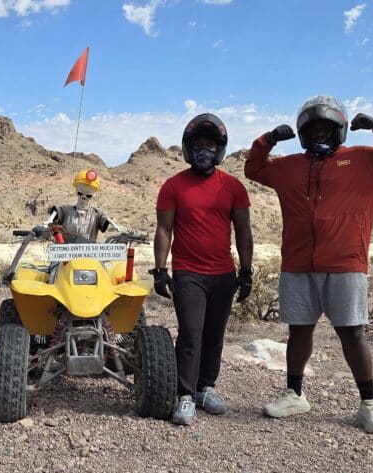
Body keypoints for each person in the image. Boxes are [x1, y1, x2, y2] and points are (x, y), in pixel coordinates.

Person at [243, 95, 373, 434]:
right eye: (313, 131)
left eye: (327, 129)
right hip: (298, 264)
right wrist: (266, 140)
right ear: (302, 135)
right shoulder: (289, 166)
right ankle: (294, 394)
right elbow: (252, 168)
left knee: (352, 333)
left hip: (346, 263)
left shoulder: (366, 162)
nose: (320, 135)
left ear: (340, 131)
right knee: (298, 330)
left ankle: (369, 405)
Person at [151, 113, 253, 426]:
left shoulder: (234, 187)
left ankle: (204, 388)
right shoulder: (172, 186)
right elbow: (164, 230)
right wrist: (159, 269)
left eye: (210, 144)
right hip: (188, 273)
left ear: (220, 148)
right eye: (198, 143)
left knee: (214, 336)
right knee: (191, 335)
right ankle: (184, 395)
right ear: (188, 147)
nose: (203, 149)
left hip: (223, 274)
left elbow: (244, 231)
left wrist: (246, 271)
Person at [45, 169, 123, 242]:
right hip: (67, 252)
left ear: (93, 195)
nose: (83, 197)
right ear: (76, 191)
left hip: (87, 251)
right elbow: (57, 211)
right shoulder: (67, 210)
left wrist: (115, 226)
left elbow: (105, 218)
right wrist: (50, 220)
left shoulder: (96, 213)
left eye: (88, 195)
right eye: (80, 193)